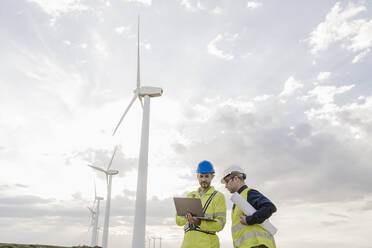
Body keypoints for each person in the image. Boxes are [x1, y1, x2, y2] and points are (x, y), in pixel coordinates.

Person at [221, 165, 277, 248]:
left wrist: (249, 220)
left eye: (227, 181)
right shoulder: (238, 200)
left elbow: (269, 207)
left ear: (236, 178)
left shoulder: (249, 193)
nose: (225, 186)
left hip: (258, 245)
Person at [176, 160, 227, 248]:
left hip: (208, 244)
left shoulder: (218, 197)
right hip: (187, 244)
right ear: (197, 177)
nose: (203, 179)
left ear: (212, 177)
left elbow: (220, 225)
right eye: (201, 176)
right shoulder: (191, 195)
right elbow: (178, 221)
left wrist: (199, 222)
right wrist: (186, 217)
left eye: (206, 176)